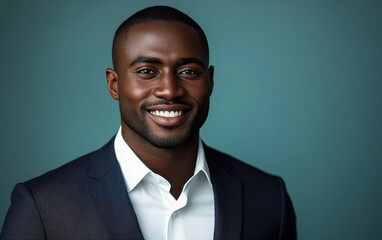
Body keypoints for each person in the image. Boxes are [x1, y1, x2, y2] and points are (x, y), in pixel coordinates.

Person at [1, 5, 296, 240]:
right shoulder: (43, 206)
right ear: (114, 84)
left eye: (189, 71)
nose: (169, 90)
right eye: (146, 71)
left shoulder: (270, 198)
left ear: (210, 81)